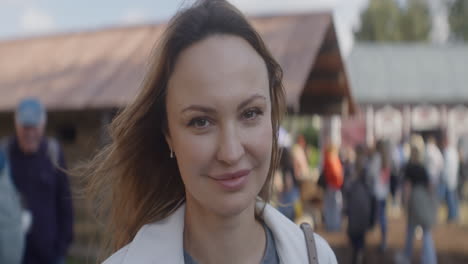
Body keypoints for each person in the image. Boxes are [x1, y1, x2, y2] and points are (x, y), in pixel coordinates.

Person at [79, 1, 337, 263]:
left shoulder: (317, 257)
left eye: (250, 113)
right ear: (168, 134)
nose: (231, 152)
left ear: (272, 116)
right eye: (201, 121)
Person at [5, 98, 74, 264]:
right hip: (12, 254)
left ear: (42, 125)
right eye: (25, 127)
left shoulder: (53, 153)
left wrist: (62, 247)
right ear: (17, 125)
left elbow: (65, 202)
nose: (29, 133)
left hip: (49, 254)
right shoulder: (5, 155)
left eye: (33, 127)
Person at [396, 139, 437, 264]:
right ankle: (429, 259)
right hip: (424, 199)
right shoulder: (422, 168)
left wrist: (405, 203)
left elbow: (407, 187)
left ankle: (407, 256)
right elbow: (430, 187)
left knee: (410, 231)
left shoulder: (409, 168)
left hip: (414, 200)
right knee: (426, 231)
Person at [344, 144, 372, 264]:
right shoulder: (366, 168)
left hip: (354, 203)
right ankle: (359, 252)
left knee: (354, 232)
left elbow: (346, 187)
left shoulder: (352, 168)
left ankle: (357, 252)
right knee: (361, 232)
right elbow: (371, 187)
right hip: (364, 202)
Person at [368, 140, 390, 251]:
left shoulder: (376, 158)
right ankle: (384, 239)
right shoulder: (386, 158)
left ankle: (382, 241)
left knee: (379, 217)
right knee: (383, 217)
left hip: (377, 192)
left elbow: (371, 173)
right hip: (384, 192)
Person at [322, 144, 343, 232]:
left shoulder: (328, 160)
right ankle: (334, 226)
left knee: (330, 207)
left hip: (331, 186)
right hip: (334, 186)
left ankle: (331, 225)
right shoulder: (333, 160)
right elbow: (337, 175)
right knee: (335, 207)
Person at [441, 136, 459, 222]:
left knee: (450, 198)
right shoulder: (453, 151)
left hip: (449, 178)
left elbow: (446, 167)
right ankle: (453, 215)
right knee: (453, 198)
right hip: (453, 178)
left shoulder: (448, 152)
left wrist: (443, 177)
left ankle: (452, 217)